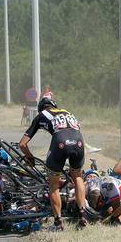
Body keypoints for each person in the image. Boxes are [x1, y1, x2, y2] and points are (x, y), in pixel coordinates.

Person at [18, 96, 87, 231]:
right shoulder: (67, 112)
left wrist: (30, 157)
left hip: (60, 141)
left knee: (53, 183)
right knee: (78, 177)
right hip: (78, 141)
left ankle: (58, 222)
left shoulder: (41, 115)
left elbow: (22, 144)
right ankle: (82, 215)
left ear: (41, 108)